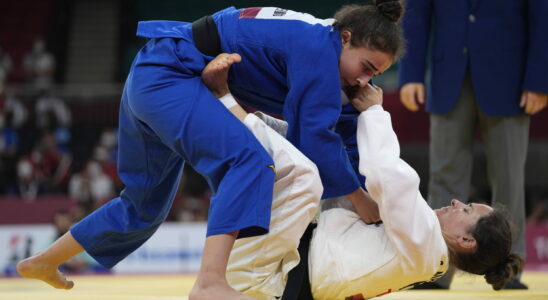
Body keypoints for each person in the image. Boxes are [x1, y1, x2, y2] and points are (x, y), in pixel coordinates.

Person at [17, 2, 404, 299]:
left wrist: (368, 114)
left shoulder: (318, 42)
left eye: (376, 75)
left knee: (142, 205)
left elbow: (331, 126)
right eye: (366, 66)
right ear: (347, 37)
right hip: (172, 74)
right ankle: (210, 283)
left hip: (154, 71)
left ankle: (44, 261)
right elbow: (314, 140)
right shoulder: (320, 50)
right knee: (248, 161)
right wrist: (356, 194)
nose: (364, 79)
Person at [200, 53, 523, 300]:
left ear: (466, 241)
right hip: (281, 273)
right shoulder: (428, 259)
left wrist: (374, 112)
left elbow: (388, 175)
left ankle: (222, 97)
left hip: (269, 272)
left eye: (466, 210)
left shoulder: (426, 238)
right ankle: (242, 117)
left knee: (301, 174)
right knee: (316, 161)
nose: (456, 202)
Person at [398, 0, 548, 289]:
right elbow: (417, 12)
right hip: (448, 72)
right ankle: (436, 269)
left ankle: (510, 269)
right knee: (444, 174)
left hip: (510, 78)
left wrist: (540, 79)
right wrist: (411, 73)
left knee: (508, 177)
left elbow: (542, 13)